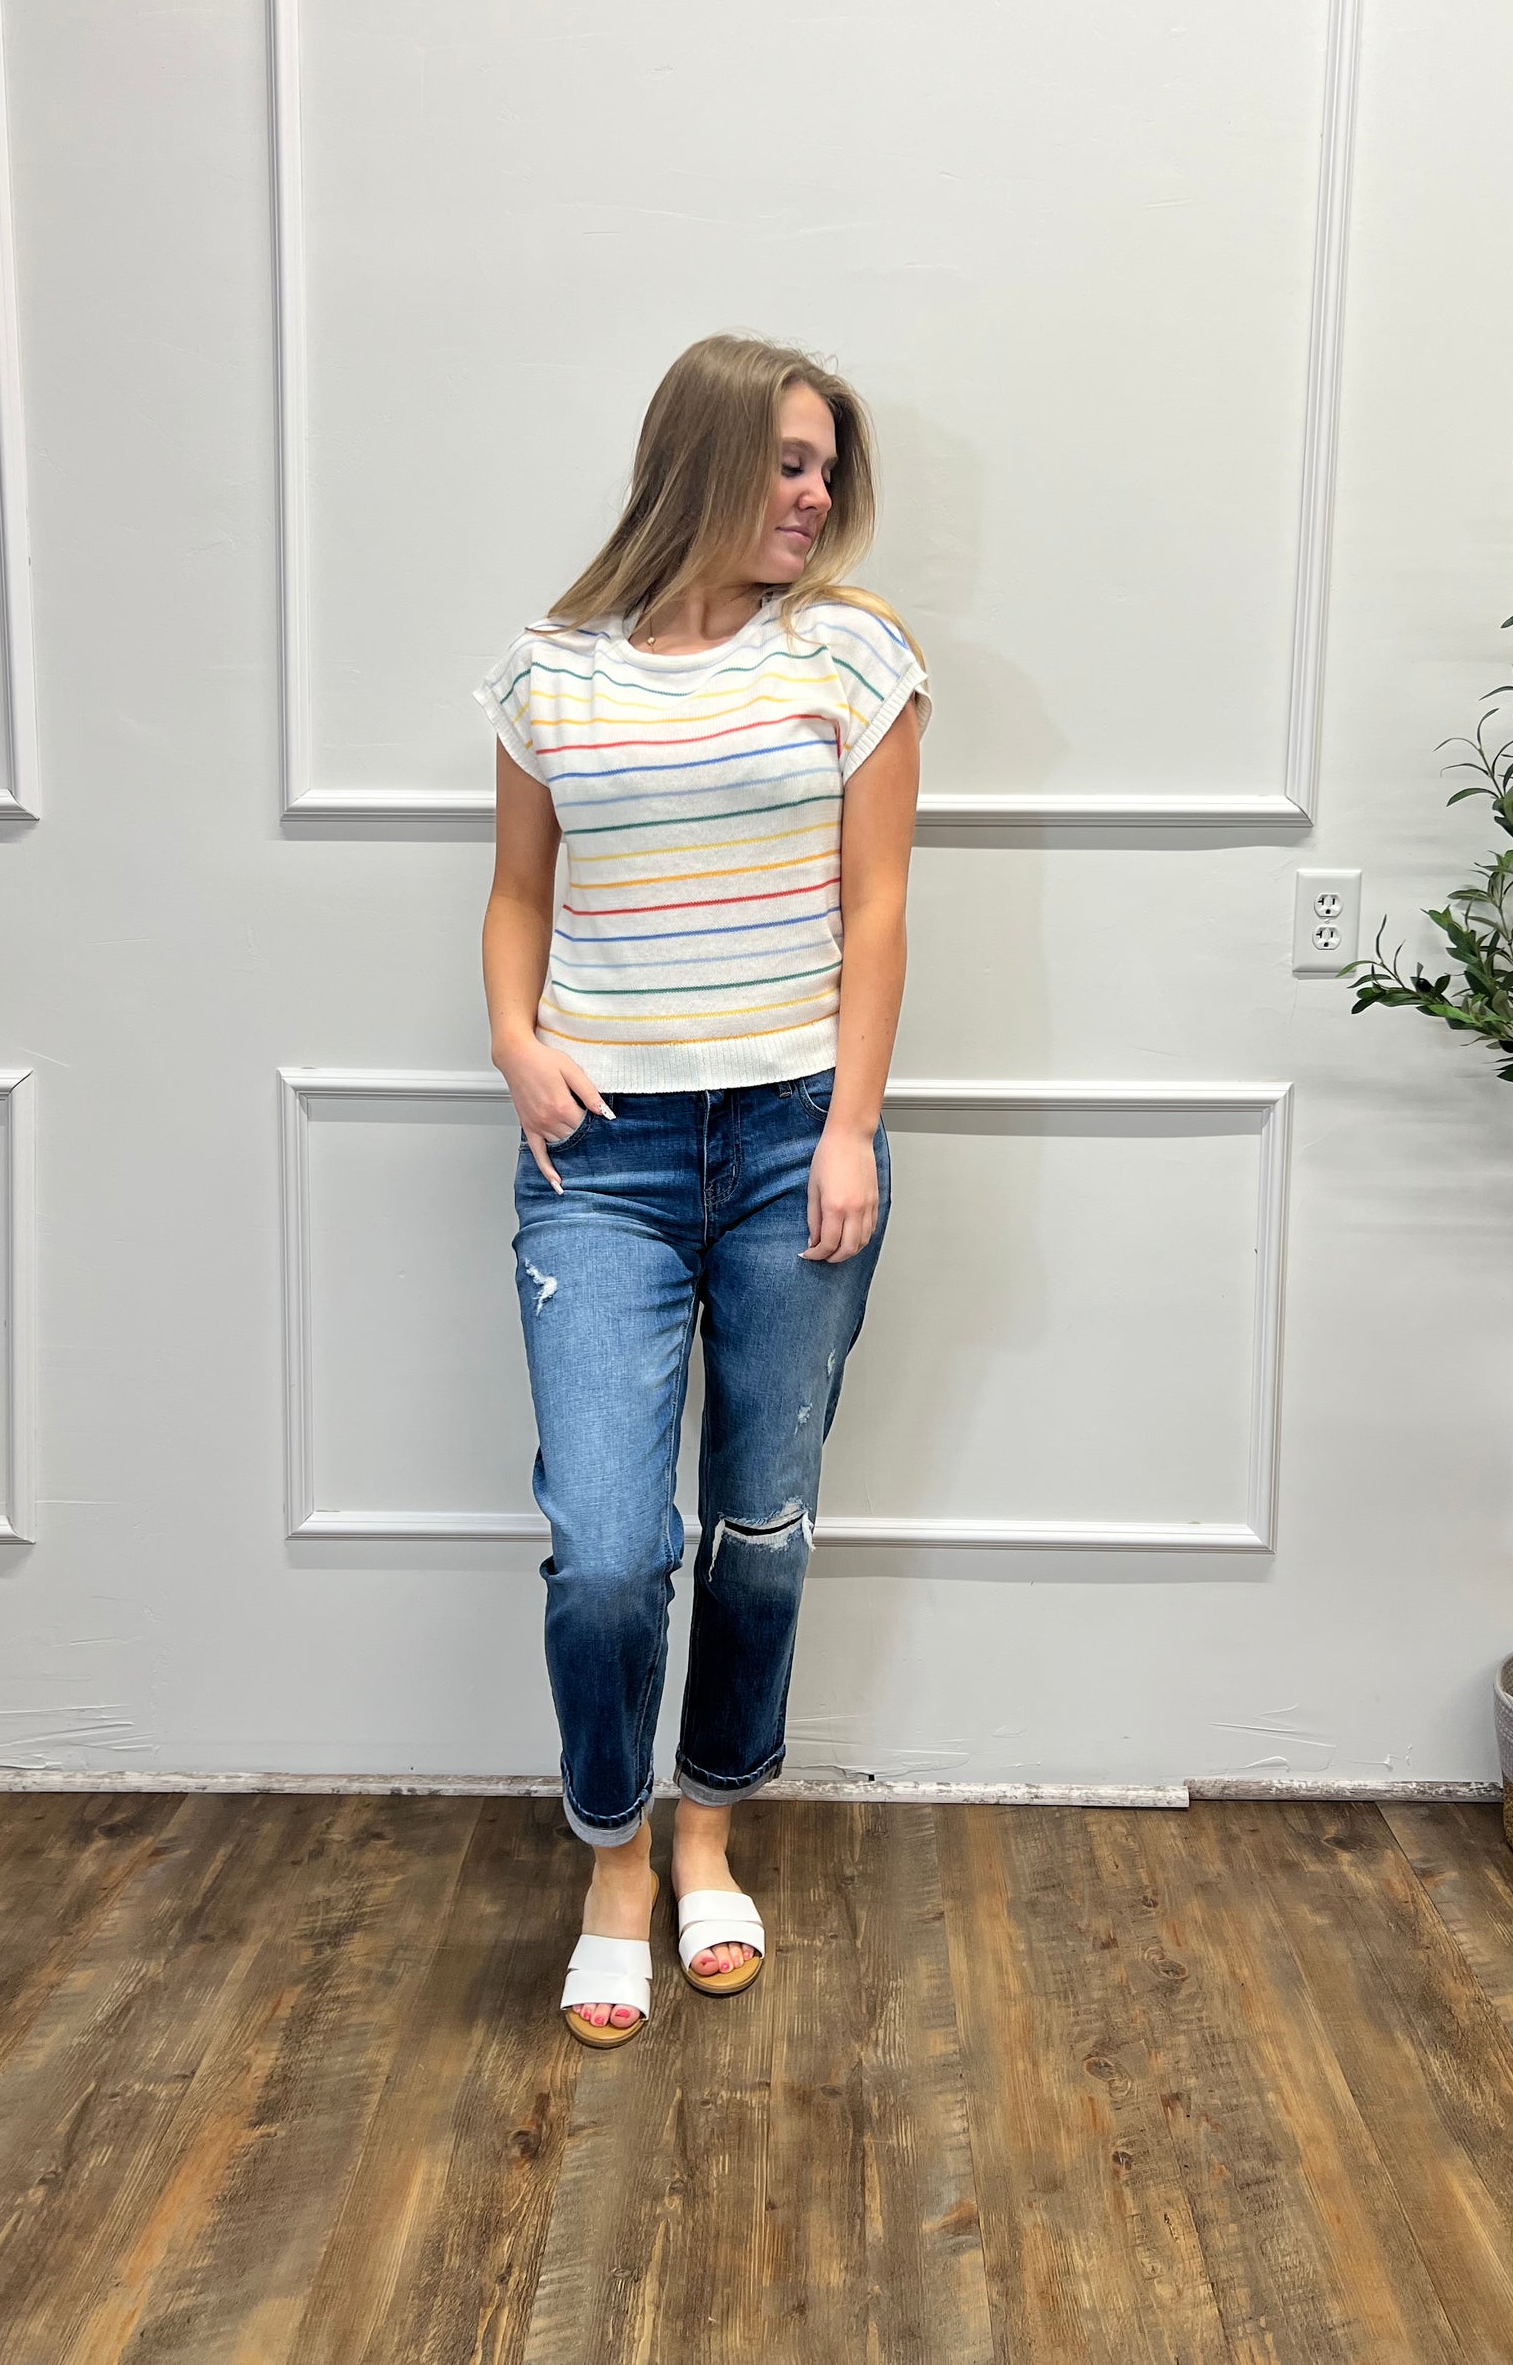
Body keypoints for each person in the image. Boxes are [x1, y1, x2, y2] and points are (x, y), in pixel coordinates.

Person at [473, 333, 930, 2046]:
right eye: (788, 463)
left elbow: (873, 911)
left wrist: (847, 1130)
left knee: (758, 1523)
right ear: (703, 460)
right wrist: (514, 1042)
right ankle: (612, 1857)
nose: (814, 495)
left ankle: (710, 1832)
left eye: (826, 468)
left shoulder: (853, 656)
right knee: (605, 1548)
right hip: (602, 1152)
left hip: (794, 1131)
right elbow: (520, 892)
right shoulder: (553, 671)